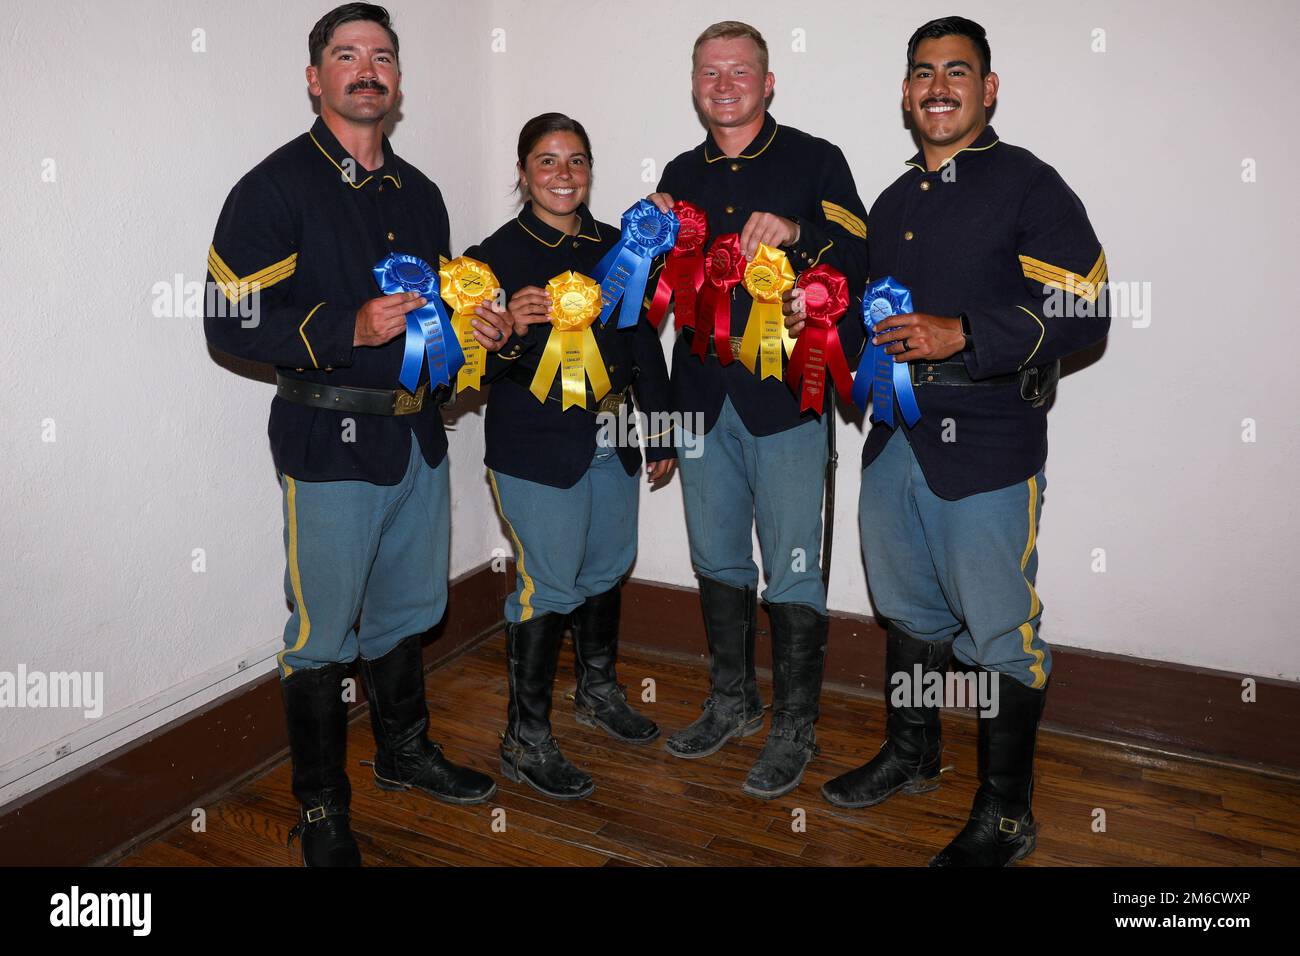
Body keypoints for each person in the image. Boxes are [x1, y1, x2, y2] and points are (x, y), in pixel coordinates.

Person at [793, 16, 1110, 865]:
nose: (939, 86)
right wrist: (818, 323)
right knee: (910, 614)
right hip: (895, 442)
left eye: (958, 72)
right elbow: (874, 328)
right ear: (905, 93)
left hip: (989, 445)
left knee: (1000, 633)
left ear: (987, 89)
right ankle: (913, 750)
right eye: (924, 73)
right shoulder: (891, 204)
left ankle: (1007, 816)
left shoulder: (1030, 185)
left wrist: (964, 331)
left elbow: (1089, 310)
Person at [203, 3, 512, 865]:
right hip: (328, 446)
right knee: (322, 635)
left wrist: (471, 342)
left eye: (381, 56)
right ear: (315, 78)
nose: (366, 69)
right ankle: (321, 808)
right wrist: (349, 327)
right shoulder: (272, 188)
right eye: (346, 55)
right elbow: (228, 323)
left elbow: (430, 331)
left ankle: (405, 756)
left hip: (418, 442)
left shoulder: (423, 194)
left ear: (398, 80)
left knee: (407, 615)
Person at [647, 20, 870, 800]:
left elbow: (863, 258)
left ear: (768, 82)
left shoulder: (816, 159)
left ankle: (793, 725)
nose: (724, 83)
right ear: (695, 84)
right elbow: (653, 304)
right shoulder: (679, 172)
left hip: (787, 399)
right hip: (703, 398)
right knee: (715, 557)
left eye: (740, 71)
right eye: (709, 72)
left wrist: (801, 234)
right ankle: (731, 702)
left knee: (794, 568)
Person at [466, 114, 677, 800]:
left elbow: (641, 342)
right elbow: (471, 375)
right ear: (523, 172)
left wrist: (664, 429)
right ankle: (525, 740)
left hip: (613, 432)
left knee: (608, 567)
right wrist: (511, 334)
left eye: (577, 160)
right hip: (535, 445)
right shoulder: (489, 259)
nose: (564, 174)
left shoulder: (619, 247)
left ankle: (598, 692)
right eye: (548, 161)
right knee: (549, 585)